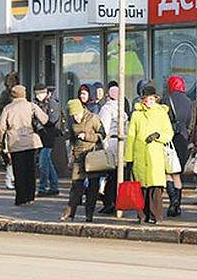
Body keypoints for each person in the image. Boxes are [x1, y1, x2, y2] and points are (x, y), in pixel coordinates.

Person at [126, 83, 174, 224]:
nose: (151, 102)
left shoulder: (162, 113)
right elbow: (131, 137)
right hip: (139, 155)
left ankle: (156, 215)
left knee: (156, 187)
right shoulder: (136, 115)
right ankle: (142, 215)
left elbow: (169, 133)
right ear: (143, 100)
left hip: (155, 156)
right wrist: (128, 158)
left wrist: (158, 136)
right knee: (142, 188)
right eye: (148, 99)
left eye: (153, 99)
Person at [0, 84, 47, 206]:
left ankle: (20, 198)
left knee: (19, 171)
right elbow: (45, 119)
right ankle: (31, 197)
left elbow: (1, 127)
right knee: (30, 170)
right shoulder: (31, 106)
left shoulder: (8, 108)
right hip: (31, 142)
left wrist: (0, 141)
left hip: (15, 143)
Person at [64, 99, 105, 222]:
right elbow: (71, 139)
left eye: (77, 114)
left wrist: (87, 137)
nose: (76, 118)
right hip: (78, 156)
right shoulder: (72, 122)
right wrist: (70, 155)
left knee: (93, 187)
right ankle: (69, 213)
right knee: (76, 186)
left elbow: (102, 135)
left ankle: (89, 214)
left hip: (92, 156)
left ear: (82, 111)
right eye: (73, 116)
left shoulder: (93, 118)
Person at [161, 75, 192, 217]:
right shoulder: (188, 100)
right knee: (177, 172)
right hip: (183, 138)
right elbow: (190, 120)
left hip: (170, 138)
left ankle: (173, 202)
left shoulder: (166, 99)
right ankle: (177, 203)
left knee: (168, 171)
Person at [97, 81, 125, 213]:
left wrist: (103, 146)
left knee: (110, 176)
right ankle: (116, 201)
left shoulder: (106, 109)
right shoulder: (123, 109)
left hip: (111, 144)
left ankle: (109, 202)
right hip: (122, 145)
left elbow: (103, 128)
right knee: (117, 175)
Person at [33, 84, 63, 198]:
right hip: (41, 135)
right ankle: (54, 187)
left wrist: (40, 124)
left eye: (40, 94)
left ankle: (42, 187)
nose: (38, 96)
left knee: (43, 162)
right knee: (47, 162)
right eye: (37, 94)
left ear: (45, 93)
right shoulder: (36, 103)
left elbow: (52, 119)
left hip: (49, 135)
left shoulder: (52, 102)